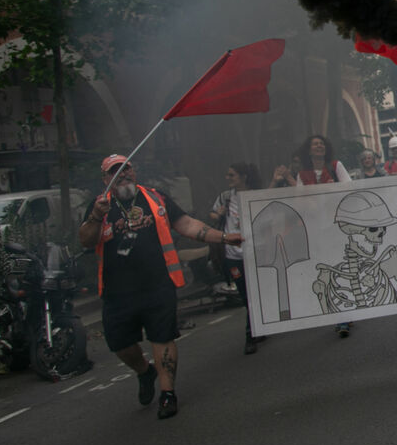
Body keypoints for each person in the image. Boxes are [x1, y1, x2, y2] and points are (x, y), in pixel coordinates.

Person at [78, 155, 242, 420]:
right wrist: (97, 216)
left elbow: (187, 224)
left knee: (162, 337)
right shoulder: (99, 206)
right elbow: (86, 240)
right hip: (117, 293)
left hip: (157, 285)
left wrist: (223, 238)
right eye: (115, 172)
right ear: (106, 179)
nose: (123, 174)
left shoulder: (156, 198)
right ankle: (145, 371)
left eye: (126, 169)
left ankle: (168, 393)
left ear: (134, 171)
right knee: (120, 344)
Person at [295, 134, 354, 336]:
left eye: (321, 143)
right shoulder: (302, 174)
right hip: (316, 231)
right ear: (309, 150)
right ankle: (340, 314)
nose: (319, 146)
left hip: (336, 227)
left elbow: (349, 188)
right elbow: (299, 202)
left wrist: (327, 192)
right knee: (326, 272)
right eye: (315, 144)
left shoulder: (336, 166)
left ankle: (344, 315)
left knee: (340, 268)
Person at [209, 162, 265, 354]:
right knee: (244, 295)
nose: (228, 178)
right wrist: (217, 215)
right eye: (228, 175)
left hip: (254, 252)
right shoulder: (225, 197)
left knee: (254, 294)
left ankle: (251, 334)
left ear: (244, 177)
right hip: (232, 255)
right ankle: (257, 327)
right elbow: (212, 214)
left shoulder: (255, 194)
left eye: (232, 175)